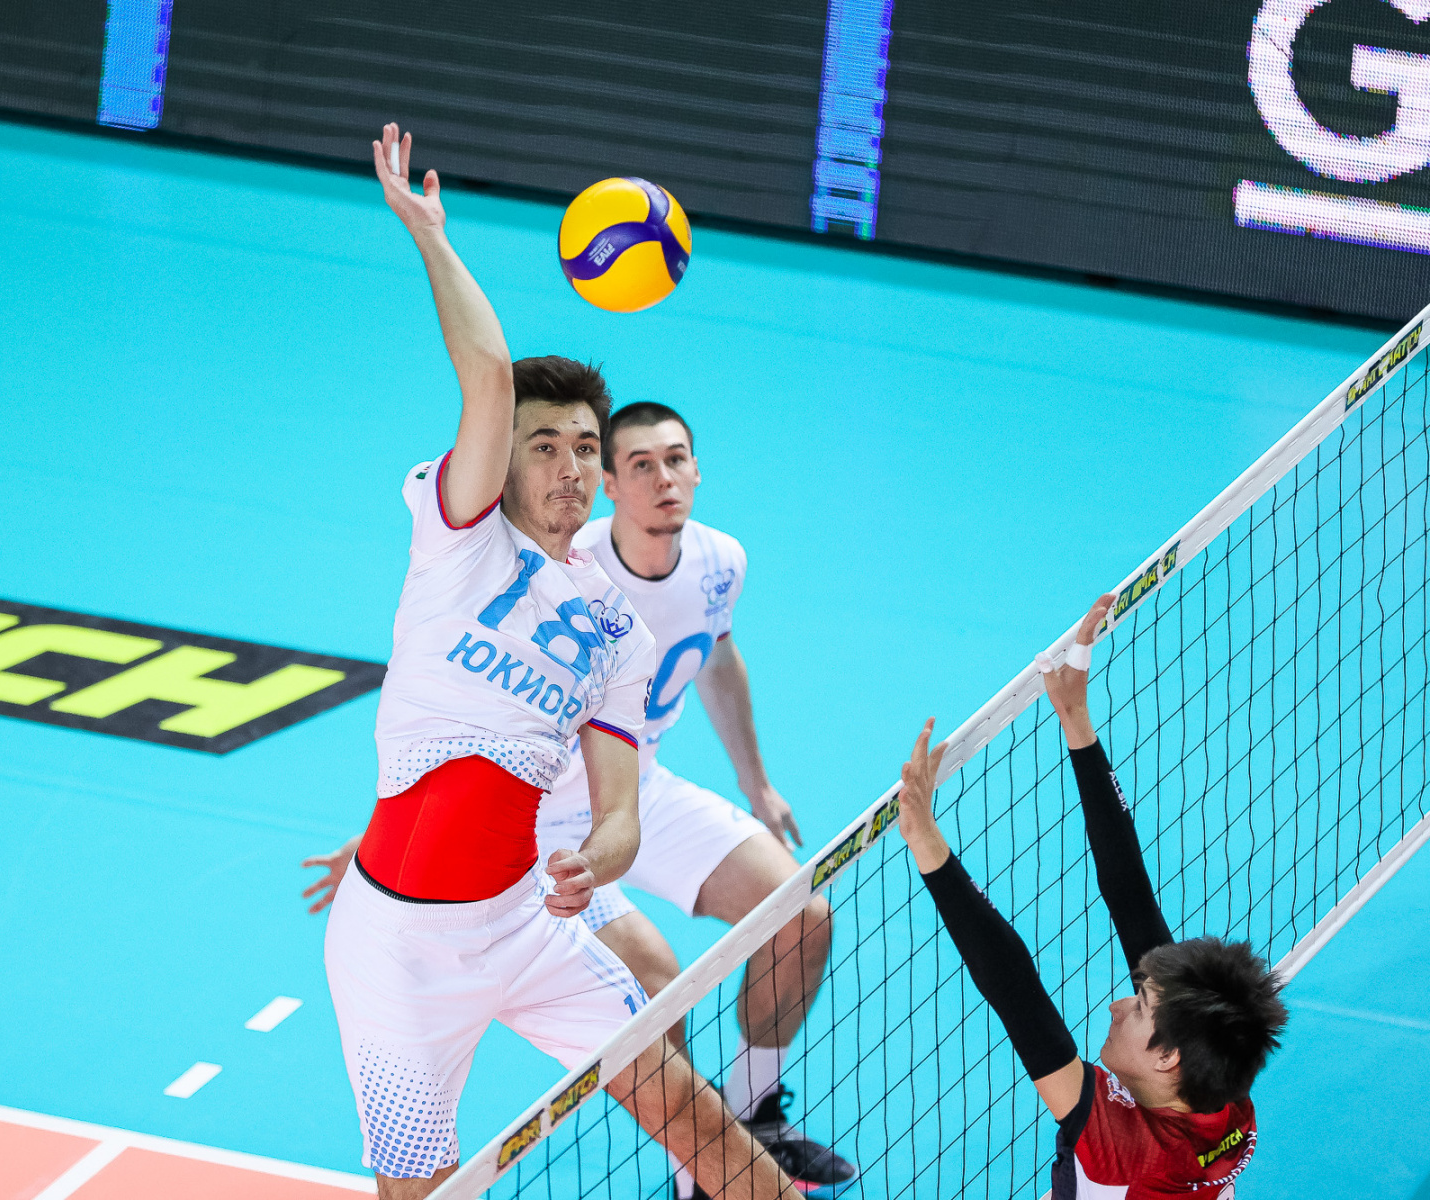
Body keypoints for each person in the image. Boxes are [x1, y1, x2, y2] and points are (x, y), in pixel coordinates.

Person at [324, 122, 804, 1200]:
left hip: (528, 928)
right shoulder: (459, 540)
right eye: (545, 446)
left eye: (587, 448)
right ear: (500, 461)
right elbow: (488, 377)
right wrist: (430, 234)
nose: (572, 468)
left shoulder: (616, 630)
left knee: (706, 1131)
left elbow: (620, 807)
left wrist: (603, 856)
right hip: (397, 951)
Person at [309, 401, 853, 1197]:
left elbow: (718, 659)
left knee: (800, 916)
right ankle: (692, 1174)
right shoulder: (554, 565)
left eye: (676, 459)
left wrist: (755, 780)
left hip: (632, 789)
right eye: (641, 465)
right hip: (540, 832)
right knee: (658, 983)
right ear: (611, 488)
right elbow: (458, 705)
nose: (664, 479)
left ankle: (754, 1113)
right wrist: (376, 846)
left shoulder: (717, 560)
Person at [895, 594, 1288, 1199]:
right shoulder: (1223, 1103)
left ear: (1168, 1058)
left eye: (1139, 1008)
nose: (1116, 1004)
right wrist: (1077, 724)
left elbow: (1015, 990)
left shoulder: (1121, 1151)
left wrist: (925, 841)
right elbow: (1131, 897)